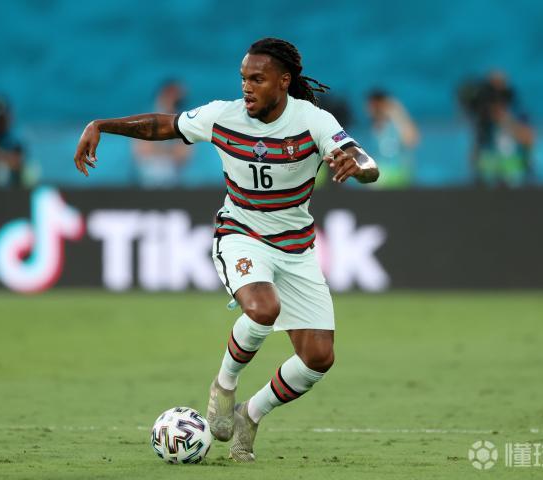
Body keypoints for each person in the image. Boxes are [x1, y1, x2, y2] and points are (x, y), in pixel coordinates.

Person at [73, 38, 379, 462]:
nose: (247, 87)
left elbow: (365, 161)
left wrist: (358, 167)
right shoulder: (224, 116)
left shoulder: (313, 120)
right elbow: (162, 125)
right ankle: (224, 384)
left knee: (318, 358)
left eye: (258, 79)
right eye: (243, 78)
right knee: (263, 308)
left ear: (283, 82)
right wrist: (102, 125)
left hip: (296, 249)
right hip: (241, 234)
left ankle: (250, 415)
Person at [458, 71, 534, 187]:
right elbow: (476, 150)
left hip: (513, 169)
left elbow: (528, 138)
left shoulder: (517, 114)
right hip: (490, 168)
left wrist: (506, 120)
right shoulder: (483, 118)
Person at [131, 80, 191, 187]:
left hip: (173, 181)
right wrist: (168, 151)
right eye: (170, 97)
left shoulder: (185, 124)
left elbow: (183, 155)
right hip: (146, 180)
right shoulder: (144, 121)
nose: (173, 101)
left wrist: (158, 149)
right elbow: (141, 152)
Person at [365, 89, 419, 188]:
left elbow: (412, 141)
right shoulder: (375, 126)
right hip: (383, 170)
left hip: (398, 171)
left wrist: (397, 113)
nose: (368, 109)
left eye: (371, 105)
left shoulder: (395, 124)